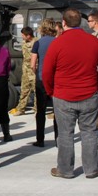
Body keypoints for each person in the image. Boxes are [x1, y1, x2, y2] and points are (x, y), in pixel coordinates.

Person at [42, 8, 98, 179]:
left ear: (63, 23)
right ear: (81, 22)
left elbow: (47, 72)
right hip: (88, 93)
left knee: (65, 133)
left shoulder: (57, 44)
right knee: (89, 132)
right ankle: (91, 168)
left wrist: (51, 91)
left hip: (63, 95)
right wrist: (96, 85)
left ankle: (65, 169)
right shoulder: (94, 42)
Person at [31, 18, 59, 147]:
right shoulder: (58, 42)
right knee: (57, 110)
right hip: (56, 80)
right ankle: (58, 138)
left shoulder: (38, 43)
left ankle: (40, 139)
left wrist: (36, 72)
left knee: (41, 110)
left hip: (41, 79)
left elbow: (33, 64)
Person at [10, 26, 35, 116]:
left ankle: (37, 109)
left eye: (23, 35)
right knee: (24, 90)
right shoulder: (24, 43)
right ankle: (21, 108)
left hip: (34, 71)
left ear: (28, 35)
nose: (22, 37)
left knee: (36, 91)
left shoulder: (36, 43)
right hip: (26, 71)